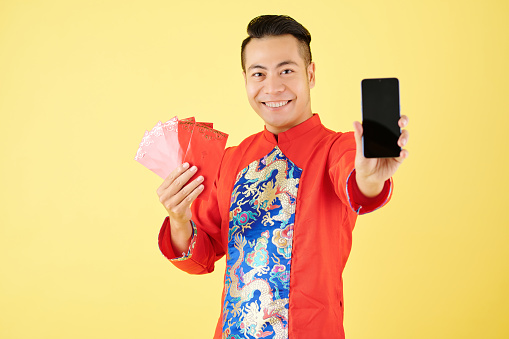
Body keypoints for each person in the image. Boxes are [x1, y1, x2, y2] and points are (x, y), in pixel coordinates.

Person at [156, 15, 409, 339]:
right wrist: (179, 219)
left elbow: (357, 183)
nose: (273, 87)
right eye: (259, 73)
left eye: (286, 70)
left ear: (310, 73)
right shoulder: (231, 160)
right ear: (246, 79)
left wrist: (371, 178)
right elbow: (202, 257)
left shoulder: (338, 148)